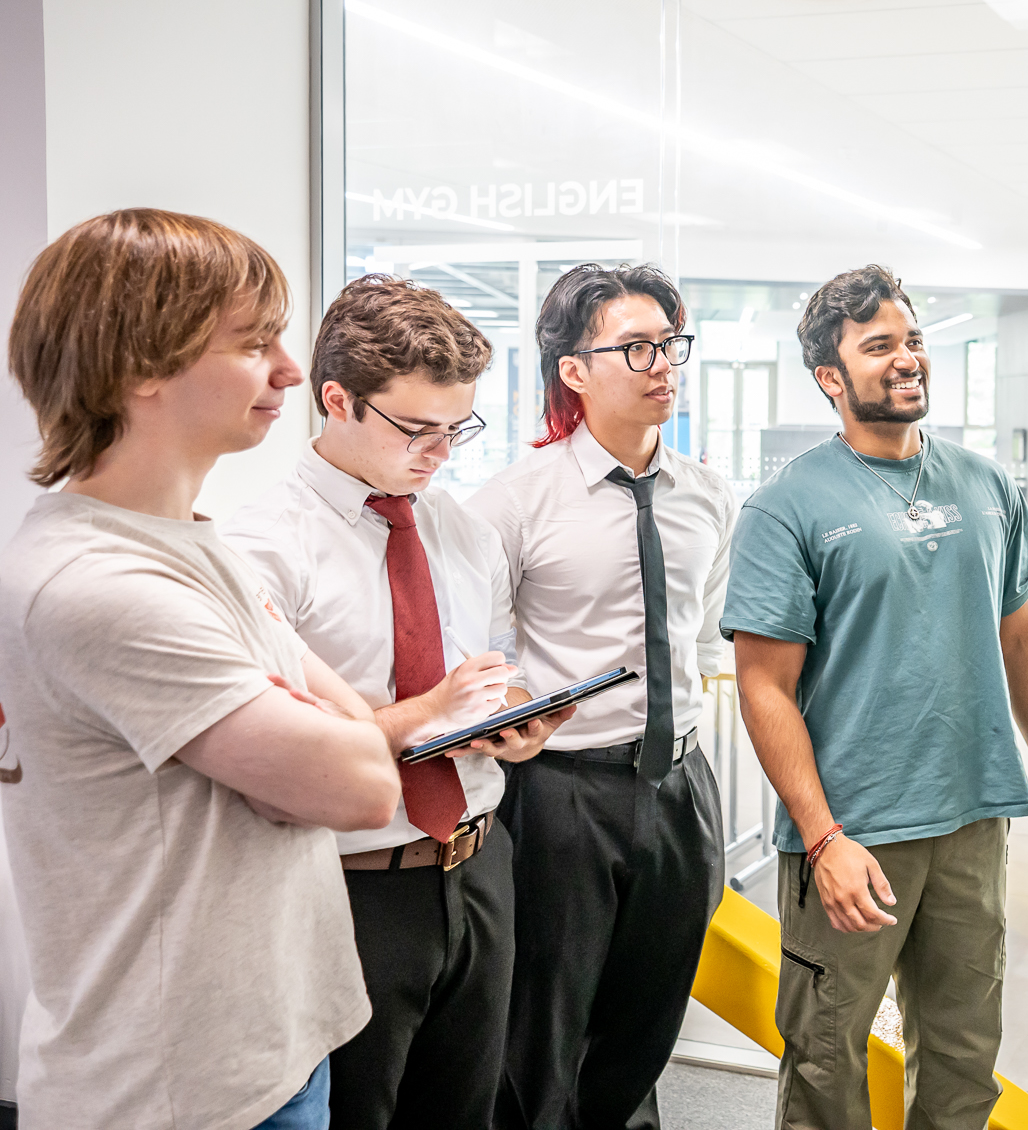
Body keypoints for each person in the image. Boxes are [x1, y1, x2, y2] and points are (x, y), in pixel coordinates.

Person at [0, 209, 402, 1129]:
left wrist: (307, 754)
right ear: (140, 364)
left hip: (268, 1043)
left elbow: (352, 736)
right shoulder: (99, 585)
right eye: (254, 344)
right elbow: (364, 783)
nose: (291, 370)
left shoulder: (188, 539)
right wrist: (315, 751)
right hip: (177, 1088)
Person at [724, 264, 1028, 1130]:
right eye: (879, 345)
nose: (907, 358)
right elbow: (764, 685)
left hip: (972, 817)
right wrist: (822, 836)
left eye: (914, 339)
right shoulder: (787, 505)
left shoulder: (986, 484)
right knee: (827, 1058)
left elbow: (1022, 637)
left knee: (964, 1055)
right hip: (852, 829)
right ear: (830, 375)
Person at [222, 275, 574, 1130]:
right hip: (349, 886)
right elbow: (281, 751)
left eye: (458, 428)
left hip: (478, 864)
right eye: (417, 429)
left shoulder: (462, 529)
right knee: (354, 1113)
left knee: (464, 1112)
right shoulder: (261, 545)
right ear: (337, 400)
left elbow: (500, 665)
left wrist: (517, 717)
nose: (441, 452)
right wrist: (428, 711)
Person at [466, 263, 731, 1130]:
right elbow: (483, 653)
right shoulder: (514, 501)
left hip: (680, 787)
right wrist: (511, 702)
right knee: (541, 1034)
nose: (664, 364)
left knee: (647, 1022)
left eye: (671, 344)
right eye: (637, 347)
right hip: (563, 794)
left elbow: (699, 640)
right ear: (574, 369)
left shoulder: (708, 496)